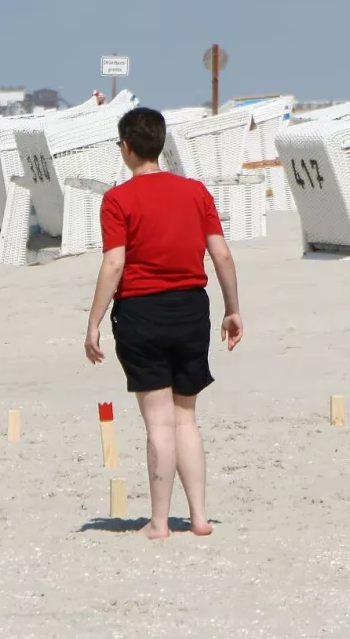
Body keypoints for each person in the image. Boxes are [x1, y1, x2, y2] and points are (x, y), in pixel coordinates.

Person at [84, 107, 243, 539]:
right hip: (192, 308)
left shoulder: (118, 199)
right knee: (186, 418)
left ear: (127, 147)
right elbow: (222, 254)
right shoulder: (195, 192)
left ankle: (158, 522)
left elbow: (114, 263)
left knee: (158, 423)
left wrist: (94, 321)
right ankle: (199, 517)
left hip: (141, 312)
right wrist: (232, 308)